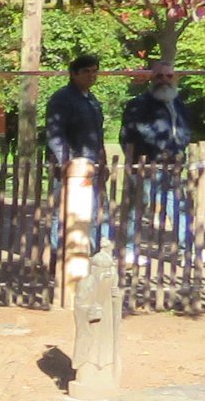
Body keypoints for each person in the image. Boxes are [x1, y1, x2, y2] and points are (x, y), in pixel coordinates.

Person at [119, 65, 195, 264]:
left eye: (169, 75)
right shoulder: (139, 104)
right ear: (152, 78)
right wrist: (157, 151)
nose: (164, 79)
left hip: (172, 166)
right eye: (159, 75)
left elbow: (185, 129)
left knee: (177, 205)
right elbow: (134, 132)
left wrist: (178, 149)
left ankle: (187, 250)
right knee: (137, 206)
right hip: (145, 164)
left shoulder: (178, 102)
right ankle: (129, 249)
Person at [42, 55, 109, 255]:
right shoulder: (62, 98)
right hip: (69, 166)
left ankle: (87, 254)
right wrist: (67, 162)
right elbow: (55, 134)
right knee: (64, 212)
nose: (91, 75)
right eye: (86, 71)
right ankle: (59, 255)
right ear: (73, 74)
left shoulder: (91, 99)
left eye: (94, 70)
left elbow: (97, 133)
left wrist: (102, 160)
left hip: (92, 165)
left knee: (92, 211)